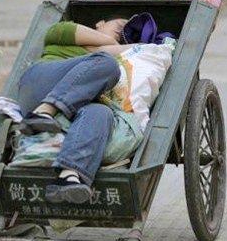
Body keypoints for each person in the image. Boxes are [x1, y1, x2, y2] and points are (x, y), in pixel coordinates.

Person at [18, 18, 138, 204]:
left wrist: (110, 48)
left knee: (102, 112)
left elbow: (135, 51)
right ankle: (43, 111)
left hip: (74, 107)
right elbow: (54, 32)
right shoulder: (64, 30)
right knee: (107, 64)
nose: (123, 32)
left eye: (126, 36)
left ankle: (69, 175)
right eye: (121, 25)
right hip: (40, 85)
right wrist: (110, 44)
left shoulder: (105, 57)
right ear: (100, 23)